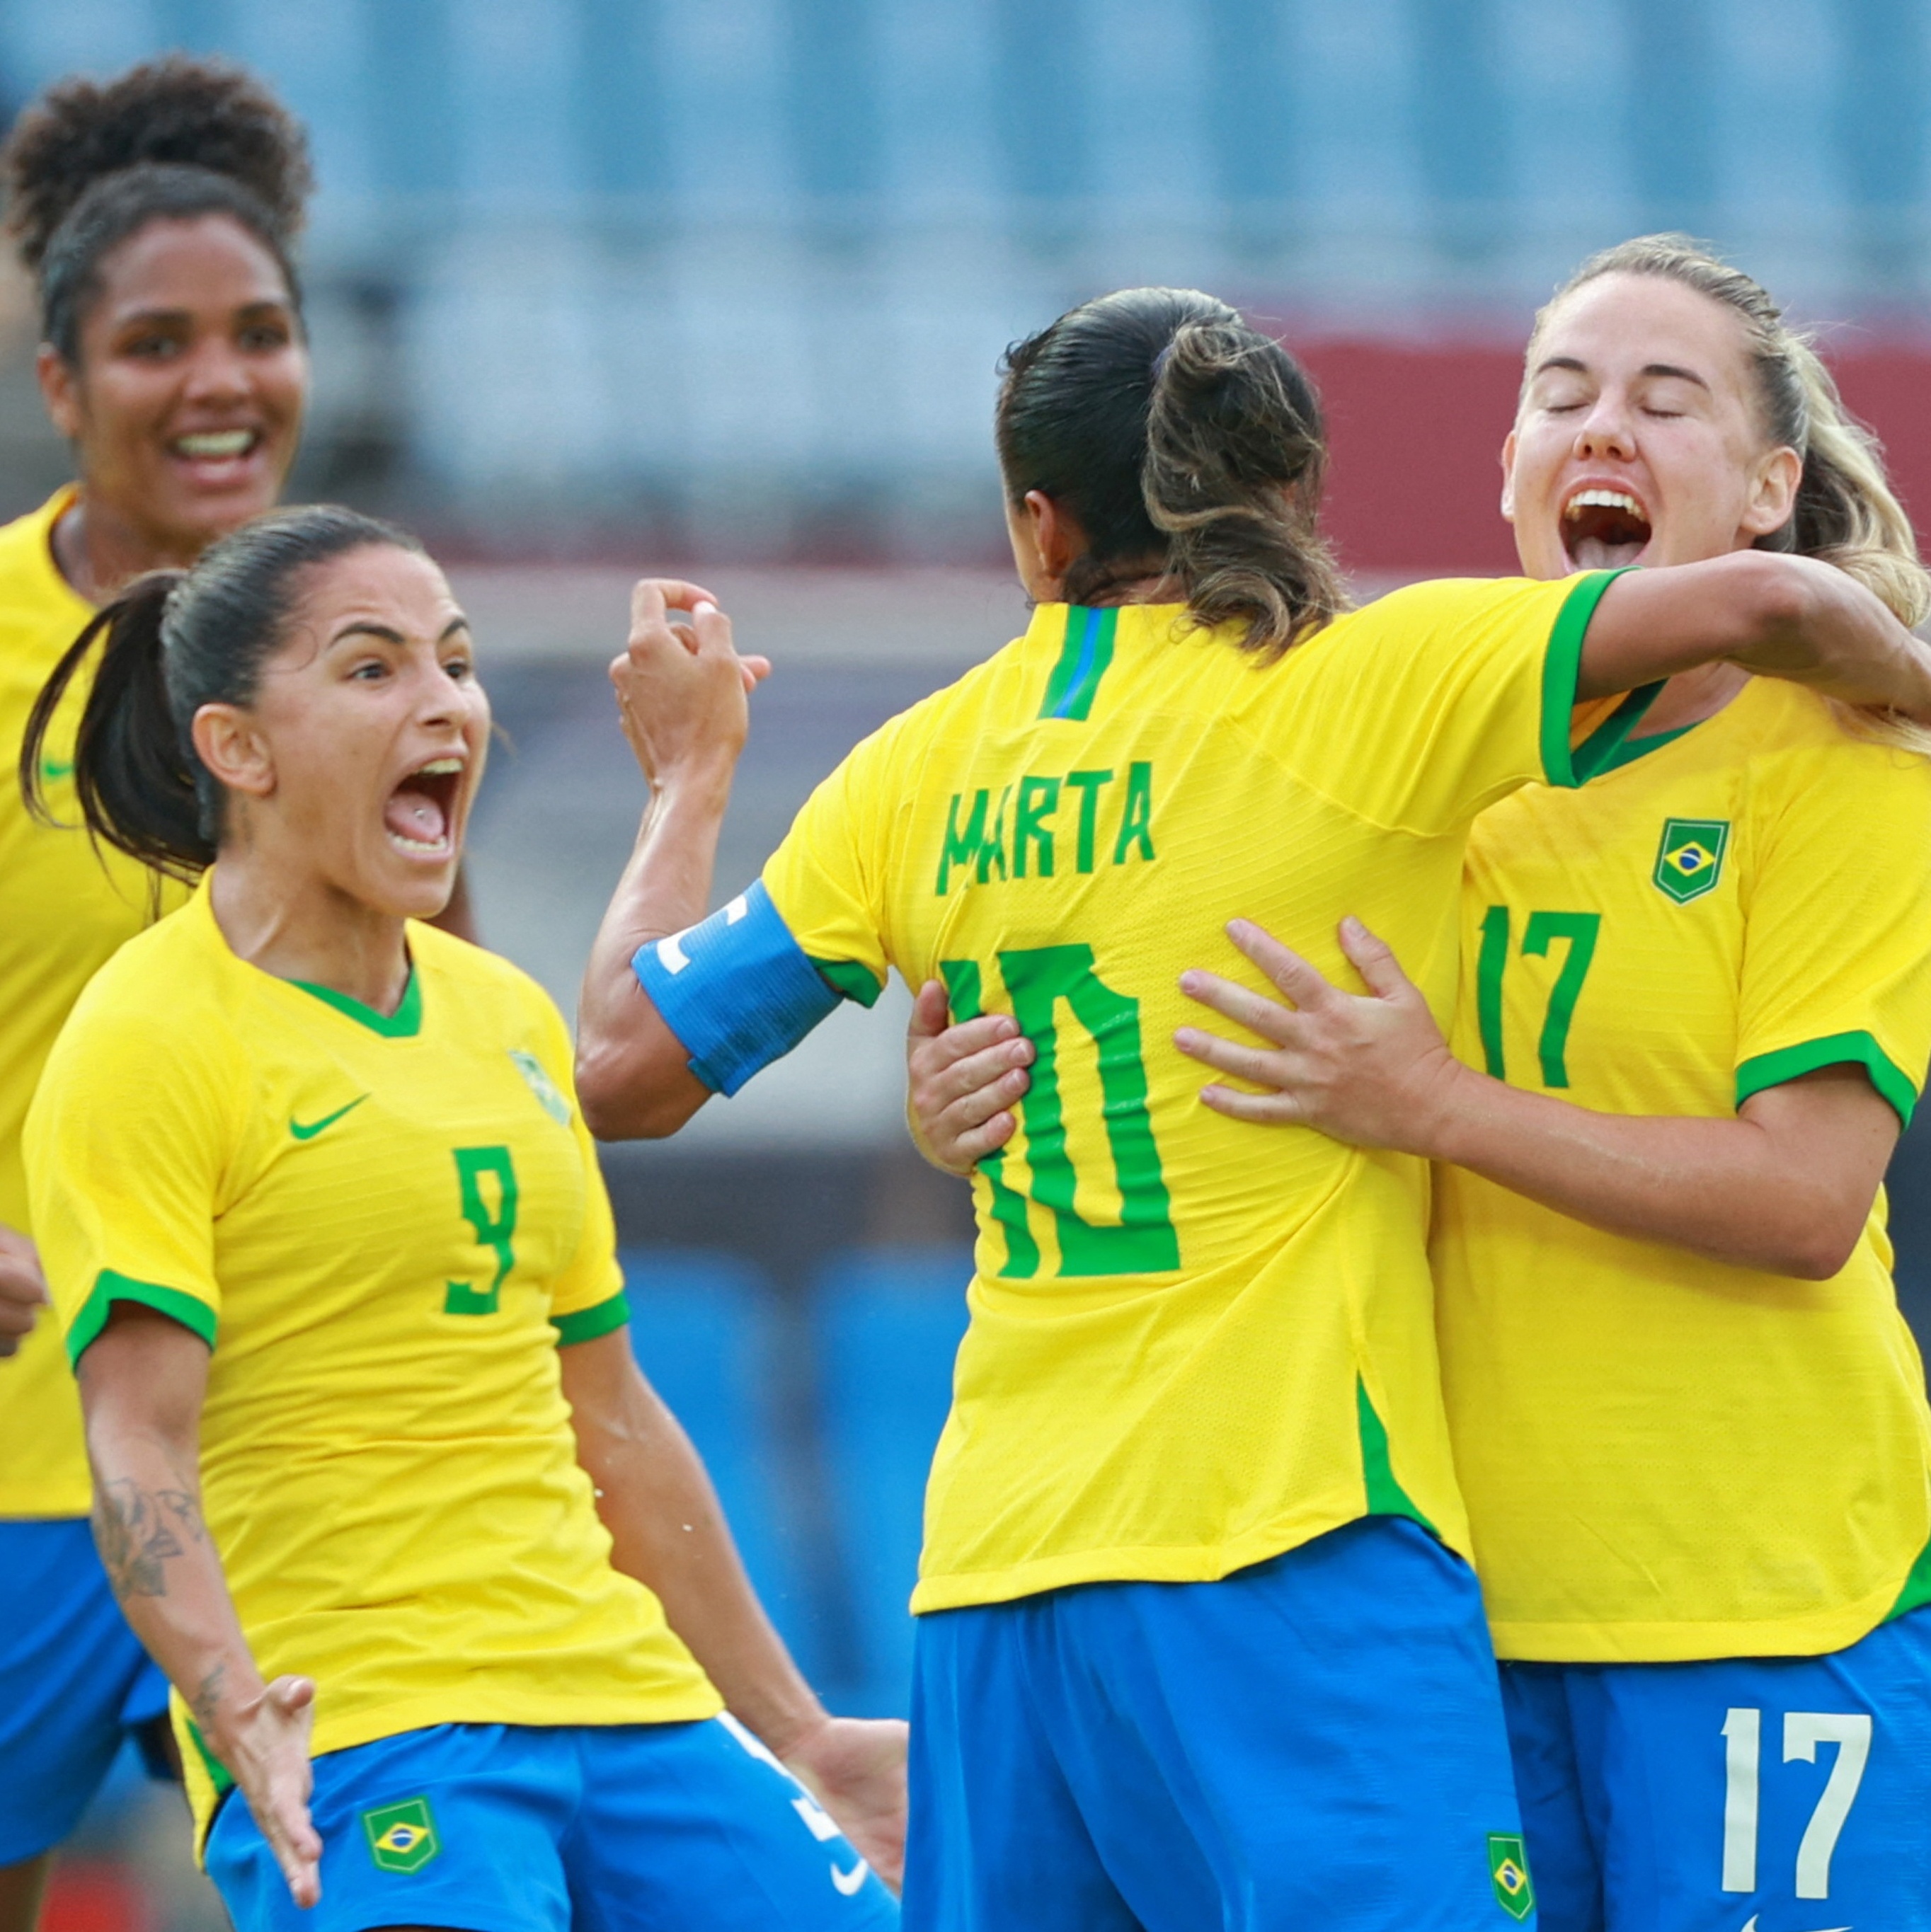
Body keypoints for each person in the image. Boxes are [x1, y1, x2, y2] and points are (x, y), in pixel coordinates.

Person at [568, 284, 1931, 1930]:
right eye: (1558, 388)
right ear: (1295, 498)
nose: (1596, 426)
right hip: (1315, 1551)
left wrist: (690, 780)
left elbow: (619, 1070)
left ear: (1034, 526)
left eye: (1659, 395)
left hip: (1056, 1560)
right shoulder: (1384, 706)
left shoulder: (914, 771)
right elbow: (1771, 604)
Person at [23, 505, 905, 1932]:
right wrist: (228, 1699)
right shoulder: (149, 1034)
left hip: (623, 1697)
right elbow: (134, 1436)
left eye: (455, 663)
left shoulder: (500, 1016)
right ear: (236, 749)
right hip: (373, 1725)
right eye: (372, 671)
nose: (443, 704)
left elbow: (609, 1415)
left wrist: (797, 1732)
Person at [0, 57, 328, 1930]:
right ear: (62, 385)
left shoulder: (367, 644)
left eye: (259, 331)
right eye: (155, 343)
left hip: (301, 1450)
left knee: (381, 1879)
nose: (220, 382)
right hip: (27, 1459)